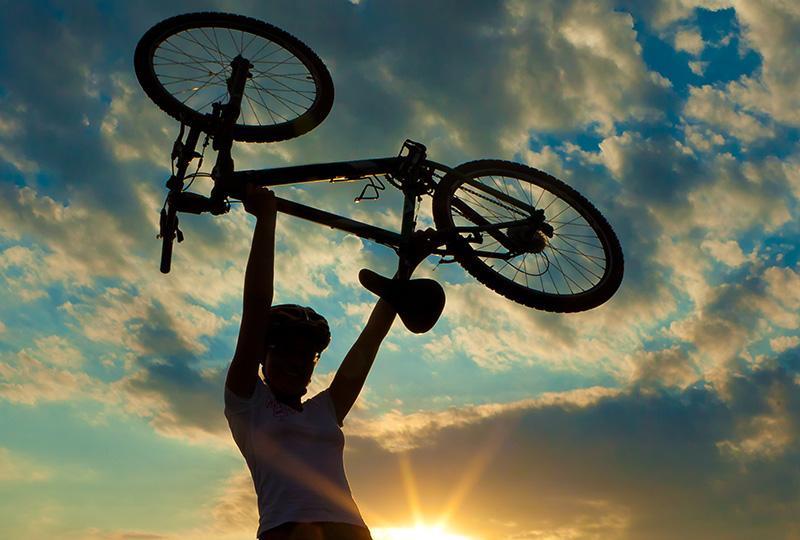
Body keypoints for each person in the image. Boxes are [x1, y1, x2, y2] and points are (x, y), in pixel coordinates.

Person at [224, 184, 416, 540]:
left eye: (306, 355)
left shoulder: (325, 410)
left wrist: (406, 269)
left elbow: (368, 343)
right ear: (264, 355)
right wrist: (267, 219)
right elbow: (254, 307)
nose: (296, 362)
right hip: (288, 531)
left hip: (352, 532)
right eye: (284, 351)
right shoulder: (247, 404)